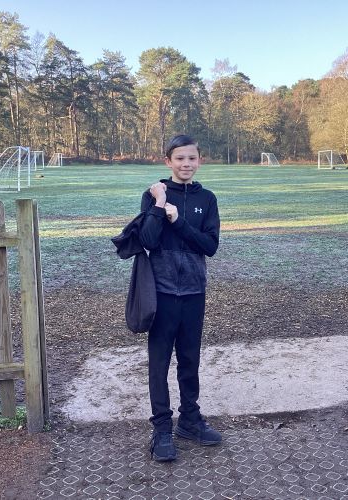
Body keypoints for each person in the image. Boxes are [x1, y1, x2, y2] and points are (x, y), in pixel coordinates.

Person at [139, 134, 222, 461]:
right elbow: (148, 240)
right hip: (161, 292)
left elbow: (209, 246)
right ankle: (161, 429)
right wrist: (160, 205)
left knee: (189, 360)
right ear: (168, 161)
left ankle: (189, 420)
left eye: (192, 158)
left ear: (199, 160)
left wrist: (179, 221)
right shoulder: (153, 195)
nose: (186, 164)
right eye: (180, 158)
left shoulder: (208, 199)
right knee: (159, 362)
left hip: (193, 291)